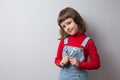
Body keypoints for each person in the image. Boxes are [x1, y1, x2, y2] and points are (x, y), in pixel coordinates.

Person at [54, 7, 100, 80]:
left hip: (79, 77)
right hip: (63, 77)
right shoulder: (64, 41)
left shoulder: (88, 42)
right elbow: (57, 59)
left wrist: (79, 64)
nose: (67, 28)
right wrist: (61, 62)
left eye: (69, 23)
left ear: (77, 20)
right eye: (64, 26)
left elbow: (96, 64)